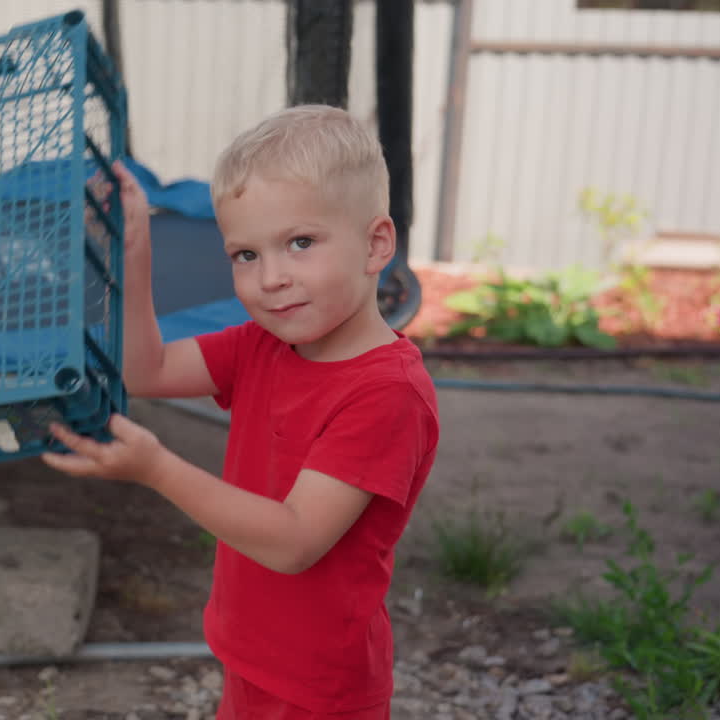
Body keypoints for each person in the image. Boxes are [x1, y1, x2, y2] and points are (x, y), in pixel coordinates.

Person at [42, 104, 440, 719]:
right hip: (250, 657)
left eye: (300, 243)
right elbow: (146, 371)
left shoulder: (386, 393)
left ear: (375, 244)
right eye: (245, 255)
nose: (270, 278)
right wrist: (135, 252)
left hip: (319, 690)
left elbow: (294, 541)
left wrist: (157, 469)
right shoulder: (265, 345)